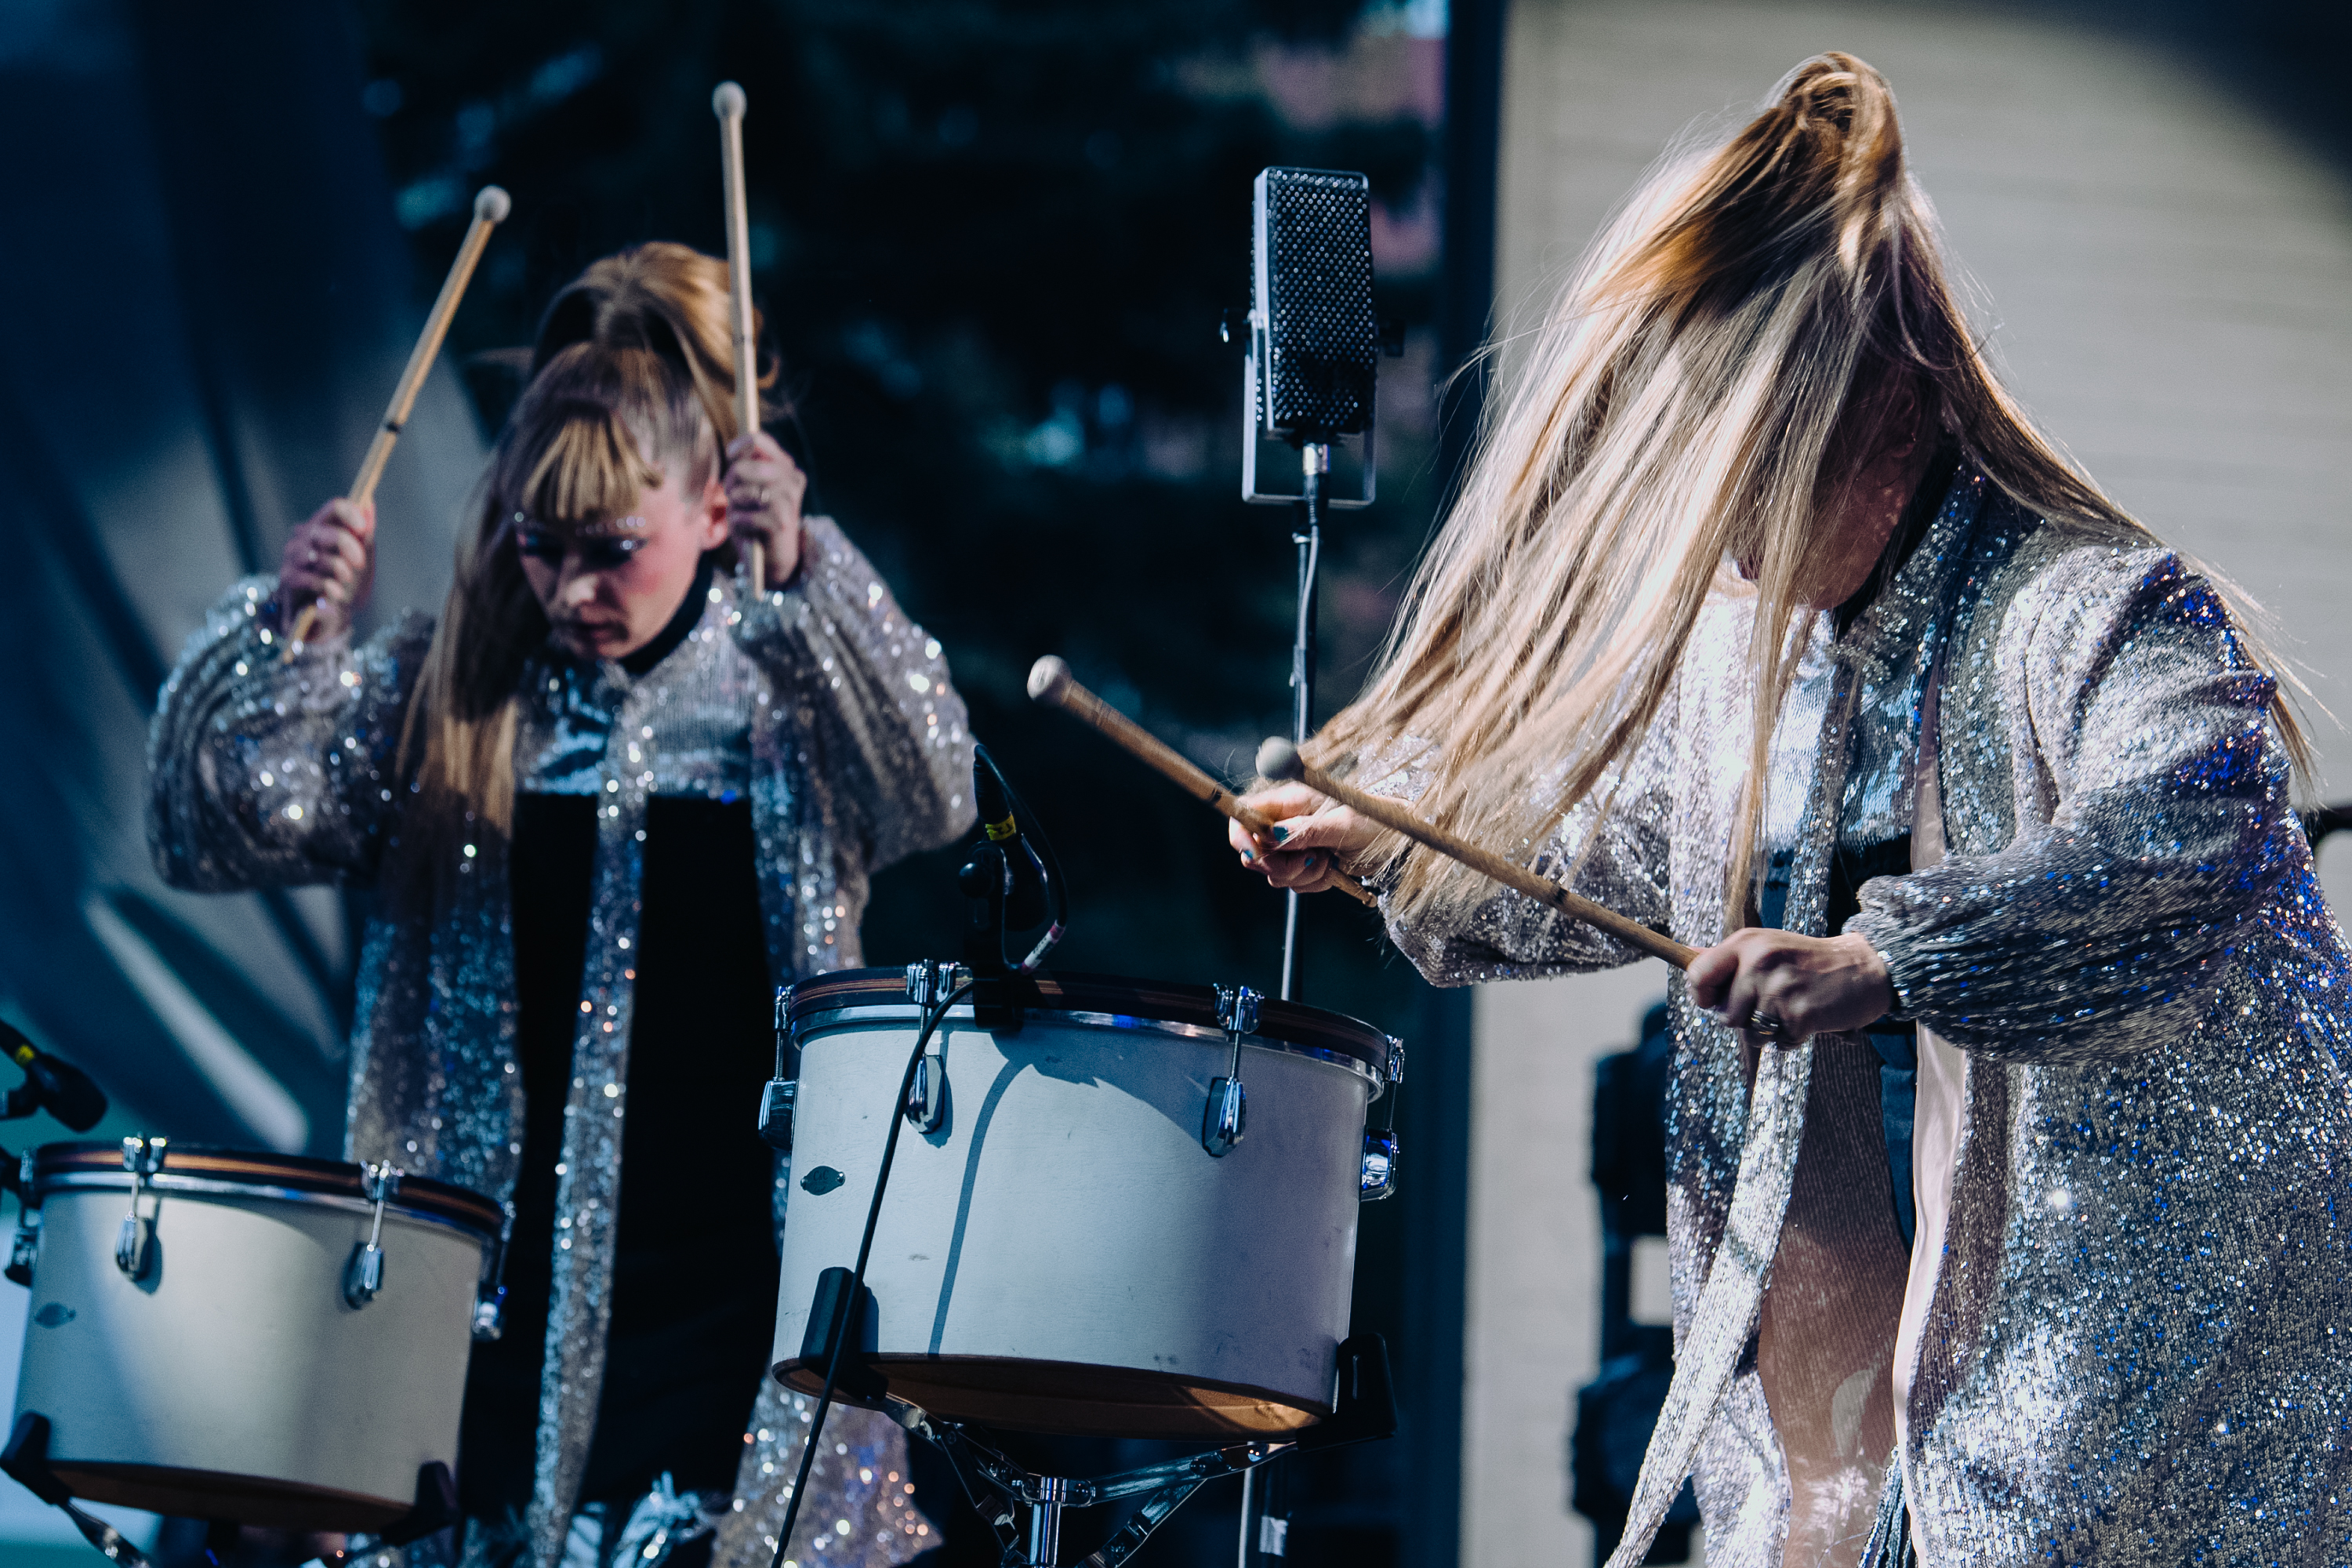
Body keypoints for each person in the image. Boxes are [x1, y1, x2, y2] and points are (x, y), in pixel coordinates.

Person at [1235, 55, 2352, 1567]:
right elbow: (1585, 858)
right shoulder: (1754, 672)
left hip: (2131, 1414)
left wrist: (1888, 962)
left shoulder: (2102, 616)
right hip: (1848, 1428)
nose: (1729, 548)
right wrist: (1386, 840)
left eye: (1760, 481)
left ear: (1890, 418)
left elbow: (2180, 839)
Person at [150, 242, 972, 1568]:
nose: (575, 591)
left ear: (712, 511)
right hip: (483, 1295)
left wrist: (812, 566)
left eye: (614, 551)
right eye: (544, 549)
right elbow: (225, 824)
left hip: (729, 1292)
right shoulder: (459, 697)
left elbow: (931, 787)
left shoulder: (779, 698)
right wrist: (284, 635)